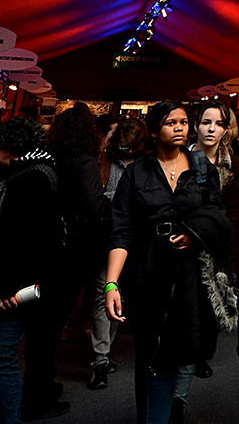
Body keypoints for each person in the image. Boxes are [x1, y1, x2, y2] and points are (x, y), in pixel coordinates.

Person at [102, 101, 229, 424]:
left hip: (188, 273)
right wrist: (112, 283)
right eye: (171, 122)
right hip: (147, 269)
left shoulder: (202, 169)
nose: (179, 128)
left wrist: (193, 232)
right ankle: (151, 415)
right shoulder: (137, 172)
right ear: (155, 129)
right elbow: (121, 230)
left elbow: (218, 215)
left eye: (184, 122)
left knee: (177, 348)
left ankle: (164, 412)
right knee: (149, 351)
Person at [0, 116, 68, 422]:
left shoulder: (30, 179)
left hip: (13, 287)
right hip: (15, 282)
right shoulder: (38, 171)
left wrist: (8, 290)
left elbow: (26, 241)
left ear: (9, 144)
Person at [46, 107, 110, 393]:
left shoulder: (53, 159)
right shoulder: (85, 162)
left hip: (53, 242)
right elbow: (93, 204)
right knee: (91, 298)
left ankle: (43, 372)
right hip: (80, 245)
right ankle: (45, 379)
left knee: (52, 311)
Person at [89, 115, 148, 389]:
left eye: (132, 147)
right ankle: (100, 358)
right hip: (107, 237)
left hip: (138, 242)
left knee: (121, 296)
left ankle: (107, 349)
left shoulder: (148, 165)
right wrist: (121, 198)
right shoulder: (105, 161)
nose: (128, 152)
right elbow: (97, 196)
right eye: (123, 146)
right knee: (105, 292)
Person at [190, 100, 239, 274]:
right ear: (196, 127)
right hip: (184, 249)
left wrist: (233, 267)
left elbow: (236, 221)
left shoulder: (234, 168)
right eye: (206, 123)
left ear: (225, 130)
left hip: (218, 252)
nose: (211, 129)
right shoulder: (180, 161)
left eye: (219, 124)